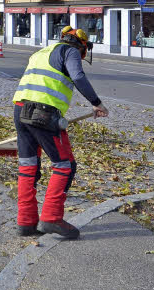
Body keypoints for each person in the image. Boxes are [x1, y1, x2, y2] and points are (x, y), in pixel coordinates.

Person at [13, 27, 107, 240]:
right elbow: (78, 76)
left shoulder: (41, 52)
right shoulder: (70, 51)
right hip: (43, 113)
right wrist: (96, 103)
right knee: (65, 165)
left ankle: (26, 222)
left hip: (20, 108)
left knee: (28, 165)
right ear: (82, 46)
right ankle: (51, 218)